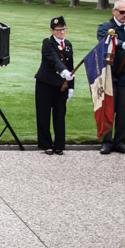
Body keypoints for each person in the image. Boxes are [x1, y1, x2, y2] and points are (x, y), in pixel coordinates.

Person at [97, 0, 125, 155]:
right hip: (110, 75)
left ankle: (120, 141)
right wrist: (121, 44)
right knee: (108, 109)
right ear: (113, 11)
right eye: (122, 12)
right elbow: (104, 40)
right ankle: (106, 141)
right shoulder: (106, 27)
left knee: (123, 111)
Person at [34, 16, 76, 155]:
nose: (62, 32)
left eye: (64, 29)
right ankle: (46, 144)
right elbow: (54, 59)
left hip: (61, 86)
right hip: (45, 84)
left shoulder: (68, 44)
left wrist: (71, 86)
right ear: (52, 30)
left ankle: (59, 144)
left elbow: (71, 66)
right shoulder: (47, 43)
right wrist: (64, 72)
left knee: (60, 115)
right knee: (44, 114)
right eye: (59, 30)